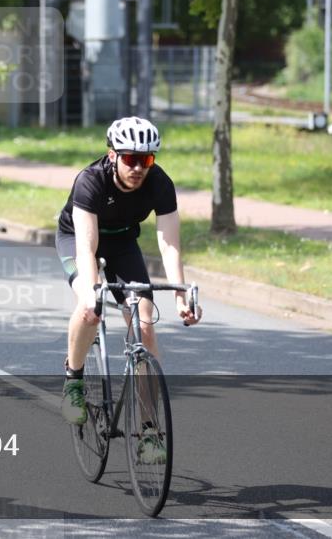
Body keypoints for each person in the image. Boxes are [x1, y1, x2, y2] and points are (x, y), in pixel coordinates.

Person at [57, 117, 202, 443]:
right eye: (130, 159)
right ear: (113, 155)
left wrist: (181, 297)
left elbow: (169, 244)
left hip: (122, 242)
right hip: (78, 240)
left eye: (146, 160)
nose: (138, 168)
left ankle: (150, 433)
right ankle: (74, 380)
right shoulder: (90, 181)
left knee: (144, 326)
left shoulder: (159, 183)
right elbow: (86, 247)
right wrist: (92, 293)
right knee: (89, 308)